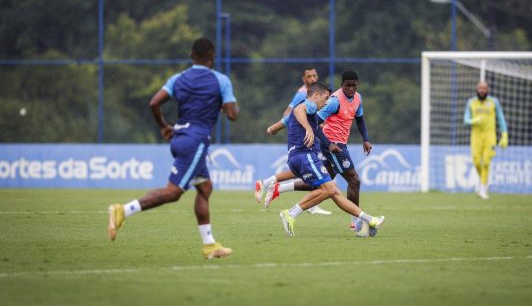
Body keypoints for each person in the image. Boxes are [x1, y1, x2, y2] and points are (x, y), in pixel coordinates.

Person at [107, 38, 239, 259]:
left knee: (204, 189)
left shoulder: (178, 79)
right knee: (173, 192)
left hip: (179, 137)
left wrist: (163, 127)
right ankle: (122, 210)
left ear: (191, 56)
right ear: (212, 57)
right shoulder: (220, 80)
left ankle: (209, 245)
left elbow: (154, 102)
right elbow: (233, 115)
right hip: (196, 141)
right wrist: (228, 104)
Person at [262, 70, 372, 229]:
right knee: (350, 181)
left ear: (358, 85)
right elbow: (301, 112)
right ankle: (357, 223)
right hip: (331, 145)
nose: (327, 102)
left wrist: (273, 128)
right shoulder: (326, 103)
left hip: (305, 154)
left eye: (353, 86)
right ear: (341, 86)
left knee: (323, 185)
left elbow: (360, 119)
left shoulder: (357, 99)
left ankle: (280, 188)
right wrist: (323, 140)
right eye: (326, 98)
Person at [254, 67, 331, 215]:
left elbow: (290, 118)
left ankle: (273, 187)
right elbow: (294, 112)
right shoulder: (304, 97)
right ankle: (294, 210)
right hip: (303, 150)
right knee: (330, 188)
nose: (313, 78)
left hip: (299, 152)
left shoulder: (313, 104)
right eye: (309, 76)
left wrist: (274, 128)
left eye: (315, 75)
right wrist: (306, 128)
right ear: (304, 80)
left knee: (313, 181)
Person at [464, 81, 508, 199]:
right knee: (477, 162)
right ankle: (484, 181)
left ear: (487, 90)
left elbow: (501, 119)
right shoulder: (471, 102)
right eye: (480, 88)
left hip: (490, 136)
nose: (482, 90)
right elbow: (465, 119)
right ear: (476, 89)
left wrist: (504, 135)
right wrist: (474, 121)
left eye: (484, 88)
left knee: (486, 162)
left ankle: (483, 189)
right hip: (476, 136)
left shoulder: (494, 102)